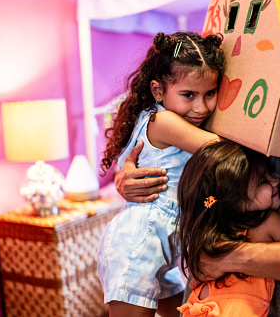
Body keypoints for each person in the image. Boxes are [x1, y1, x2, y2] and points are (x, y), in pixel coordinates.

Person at [113, 143, 280, 316]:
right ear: (235, 198)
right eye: (263, 180)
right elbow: (196, 278)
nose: (276, 180)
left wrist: (228, 258)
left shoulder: (267, 222)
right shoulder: (212, 226)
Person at [97, 31, 226, 317]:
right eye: (188, 95)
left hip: (166, 243)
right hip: (138, 244)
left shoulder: (166, 117)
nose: (201, 107)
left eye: (210, 93)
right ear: (158, 91)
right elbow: (222, 150)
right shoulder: (164, 120)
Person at [176, 141, 280, 316]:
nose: (275, 181)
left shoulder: (203, 236)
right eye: (263, 181)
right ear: (236, 202)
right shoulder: (268, 222)